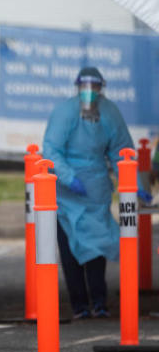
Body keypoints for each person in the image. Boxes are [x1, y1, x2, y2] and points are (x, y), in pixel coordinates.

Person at [43, 66, 151, 319]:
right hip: (66, 193)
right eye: (85, 87)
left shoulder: (109, 113)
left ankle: (99, 302)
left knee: (97, 245)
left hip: (95, 189)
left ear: (102, 88)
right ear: (77, 86)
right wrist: (69, 177)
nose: (90, 93)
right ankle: (80, 305)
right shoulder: (65, 112)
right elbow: (50, 150)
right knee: (70, 247)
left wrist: (135, 182)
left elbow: (121, 151)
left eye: (95, 87)